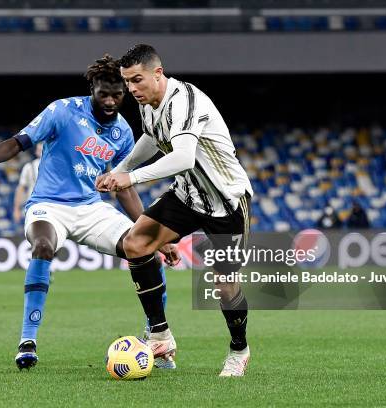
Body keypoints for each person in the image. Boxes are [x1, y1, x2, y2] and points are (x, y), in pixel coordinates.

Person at [0, 55, 178, 371]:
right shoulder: (63, 111)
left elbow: (124, 187)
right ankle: (28, 341)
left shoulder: (122, 130)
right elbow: (19, 141)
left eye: (116, 95)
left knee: (144, 246)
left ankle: (157, 336)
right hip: (49, 205)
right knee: (42, 247)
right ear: (91, 89)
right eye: (103, 94)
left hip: (92, 208)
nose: (110, 101)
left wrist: (154, 234)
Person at [96, 44, 254, 377]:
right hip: (187, 194)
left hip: (226, 200)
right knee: (135, 244)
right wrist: (119, 169)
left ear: (158, 72)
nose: (132, 89)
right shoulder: (148, 102)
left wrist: (130, 177)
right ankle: (160, 335)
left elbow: (184, 157)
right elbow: (152, 139)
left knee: (225, 284)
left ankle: (239, 350)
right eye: (127, 83)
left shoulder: (185, 101)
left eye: (137, 80)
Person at [13, 143, 43, 224]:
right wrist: (16, 209)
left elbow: (20, 188)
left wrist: (16, 209)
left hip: (34, 204)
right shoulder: (29, 166)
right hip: (38, 203)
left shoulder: (29, 166)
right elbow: (21, 188)